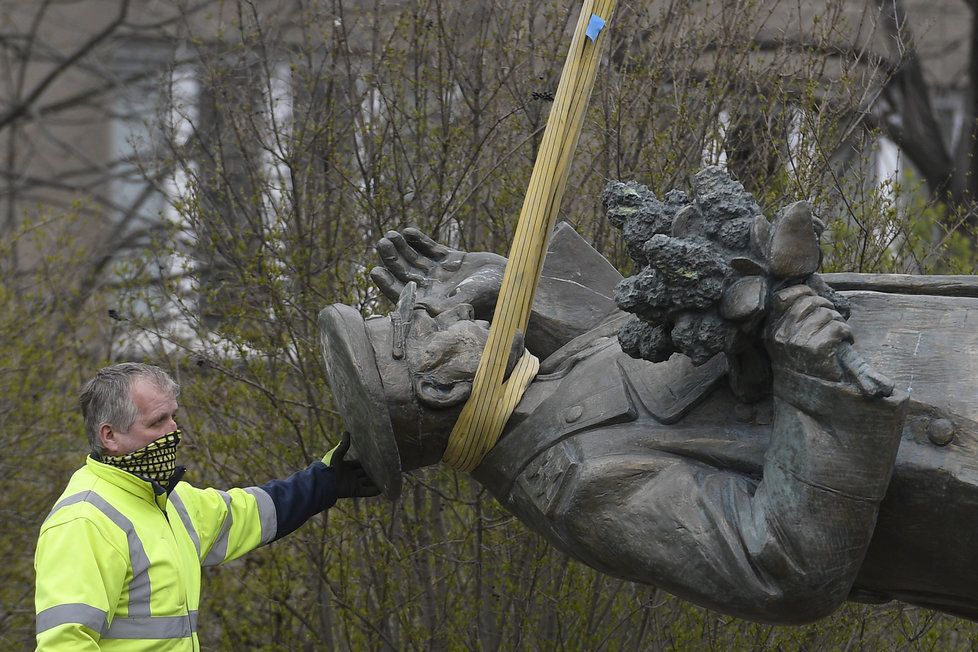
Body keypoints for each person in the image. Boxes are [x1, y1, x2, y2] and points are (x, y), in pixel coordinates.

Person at [319, 223, 978, 624]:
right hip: (948, 450)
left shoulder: (536, 387)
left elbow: (629, 345)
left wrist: (516, 284)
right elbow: (782, 565)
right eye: (424, 321)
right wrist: (815, 385)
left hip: (943, 347)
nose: (442, 304)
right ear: (440, 384)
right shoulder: (577, 487)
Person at [34, 362, 380, 650]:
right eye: (157, 422)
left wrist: (324, 481)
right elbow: (65, 644)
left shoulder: (170, 500)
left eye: (173, 417)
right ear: (109, 436)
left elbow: (250, 513)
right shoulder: (83, 520)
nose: (174, 432)